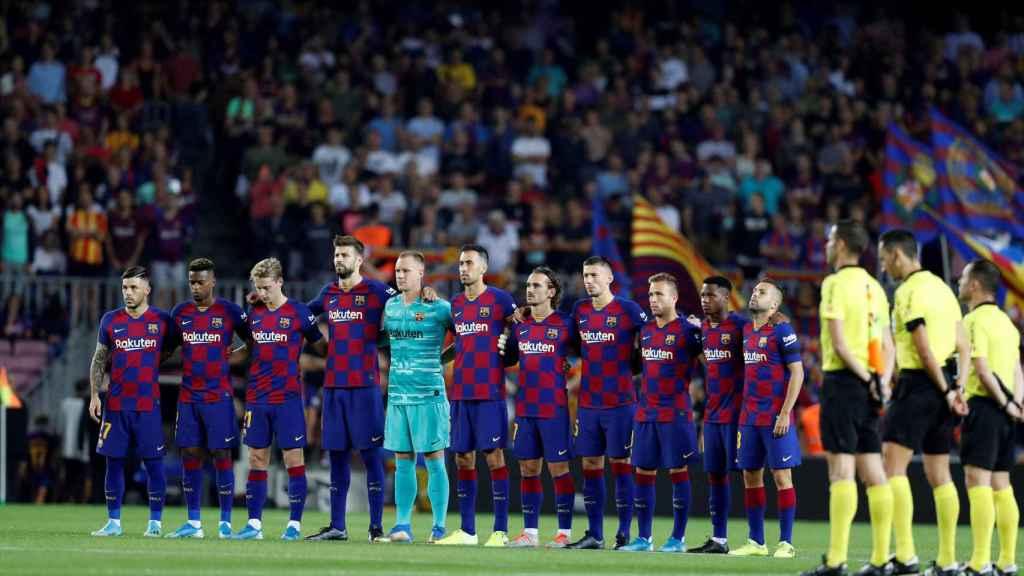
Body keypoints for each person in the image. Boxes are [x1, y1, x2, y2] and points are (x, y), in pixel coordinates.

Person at [802, 221, 896, 576]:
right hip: (872, 387)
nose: (826, 245)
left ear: (840, 245)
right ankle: (881, 559)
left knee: (841, 470)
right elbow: (888, 346)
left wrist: (865, 377)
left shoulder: (834, 283)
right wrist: (882, 382)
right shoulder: (875, 286)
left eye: (829, 240)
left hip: (845, 383)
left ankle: (836, 560)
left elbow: (839, 344)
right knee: (873, 469)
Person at [878, 230, 967, 576]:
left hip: (919, 384)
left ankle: (906, 556)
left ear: (898, 255)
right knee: (939, 473)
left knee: (893, 468)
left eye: (885, 259)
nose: (885, 267)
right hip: (946, 384)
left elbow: (923, 346)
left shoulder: (908, 291)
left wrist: (944, 389)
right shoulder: (945, 290)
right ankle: (947, 561)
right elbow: (963, 343)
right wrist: (955, 386)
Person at [304, 236, 396, 543]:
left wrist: (386, 338)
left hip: (365, 388)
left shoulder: (375, 290)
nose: (338, 259)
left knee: (372, 458)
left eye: (344, 254)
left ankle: (376, 528)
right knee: (338, 457)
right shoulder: (327, 293)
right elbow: (302, 316)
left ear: (359, 260)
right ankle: (337, 526)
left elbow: (403, 303)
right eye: (336, 254)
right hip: (333, 388)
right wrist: (315, 339)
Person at [232, 258, 325, 541]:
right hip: (257, 398)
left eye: (267, 287)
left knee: (293, 459)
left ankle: (294, 525)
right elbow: (248, 347)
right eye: (258, 288)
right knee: (257, 458)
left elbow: (320, 345)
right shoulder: (254, 312)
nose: (262, 293)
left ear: (280, 282)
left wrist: (313, 363)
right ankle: (254, 525)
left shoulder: (299, 312)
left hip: (287, 398)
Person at [164, 258, 254, 539]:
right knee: (189, 453)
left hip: (218, 396)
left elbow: (252, 341)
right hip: (189, 397)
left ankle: (225, 522)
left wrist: (233, 355)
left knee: (221, 454)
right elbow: (168, 348)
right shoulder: (179, 313)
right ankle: (194, 522)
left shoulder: (229, 311)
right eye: (192, 281)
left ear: (212, 282)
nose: (195, 287)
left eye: (201, 281)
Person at [436, 245, 517, 547]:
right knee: (462, 458)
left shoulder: (500, 300)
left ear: (483, 268)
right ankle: (468, 531)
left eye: (469, 263)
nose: (463, 268)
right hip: (460, 393)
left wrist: (510, 347)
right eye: (460, 263)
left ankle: (500, 530)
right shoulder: (456, 303)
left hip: (490, 393)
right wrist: (438, 360)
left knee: (494, 458)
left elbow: (518, 330)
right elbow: (462, 344)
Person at [88, 266, 178, 537]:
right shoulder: (110, 320)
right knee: (113, 462)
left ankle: (155, 523)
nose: (128, 293)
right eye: (125, 287)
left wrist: (155, 362)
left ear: (147, 290)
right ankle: (113, 522)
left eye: (134, 288)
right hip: (115, 405)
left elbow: (174, 346)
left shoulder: (162, 320)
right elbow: (99, 358)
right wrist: (95, 394)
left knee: (153, 464)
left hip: (147, 405)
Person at [568, 256, 647, 550]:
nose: (588, 280)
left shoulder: (629, 310)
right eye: (585, 275)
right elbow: (572, 350)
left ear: (609, 278)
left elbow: (651, 339)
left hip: (621, 403)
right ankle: (595, 534)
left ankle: (624, 532)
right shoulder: (580, 310)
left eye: (594, 275)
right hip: (588, 403)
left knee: (621, 464)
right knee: (590, 464)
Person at [620, 273, 702, 552]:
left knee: (677, 472)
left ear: (674, 298)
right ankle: (644, 538)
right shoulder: (645, 332)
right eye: (651, 294)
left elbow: (711, 363)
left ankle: (677, 538)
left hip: (675, 414)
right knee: (643, 472)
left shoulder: (689, 331)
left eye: (659, 295)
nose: (653, 300)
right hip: (645, 414)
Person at [379, 251, 455, 543]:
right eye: (398, 271)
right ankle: (402, 526)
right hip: (398, 396)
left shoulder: (439, 307)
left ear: (421, 274)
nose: (400, 275)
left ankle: (438, 528)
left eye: (406, 271)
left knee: (434, 459)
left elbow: (465, 337)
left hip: (429, 394)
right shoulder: (391, 306)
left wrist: (442, 359)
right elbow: (388, 342)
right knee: (402, 461)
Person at [501, 266, 577, 548]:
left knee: (559, 469)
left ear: (552, 291)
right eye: (529, 285)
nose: (530, 289)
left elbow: (587, 353)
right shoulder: (520, 326)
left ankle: (564, 533)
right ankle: (529, 533)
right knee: (528, 469)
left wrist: (570, 369)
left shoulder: (566, 324)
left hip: (554, 408)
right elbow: (506, 359)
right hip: (525, 408)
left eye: (537, 285)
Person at [730, 278, 803, 559]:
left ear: (774, 304)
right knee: (750, 476)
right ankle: (756, 541)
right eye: (755, 289)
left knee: (782, 476)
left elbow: (797, 372)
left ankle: (786, 543)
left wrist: (785, 412)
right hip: (749, 417)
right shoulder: (747, 329)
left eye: (762, 292)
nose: (754, 293)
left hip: (775, 416)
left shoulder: (782, 330)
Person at [957, 259, 1021, 576]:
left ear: (975, 285)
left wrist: (1002, 402)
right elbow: (1017, 370)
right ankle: (1007, 562)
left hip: (984, 407)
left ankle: (979, 563)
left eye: (964, 277)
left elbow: (981, 369)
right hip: (1006, 411)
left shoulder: (972, 321)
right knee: (1002, 484)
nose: (960, 281)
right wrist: (1015, 404)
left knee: (978, 482)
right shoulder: (1007, 324)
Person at [690, 275, 748, 554]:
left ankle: (757, 540)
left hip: (739, 416)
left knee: (752, 476)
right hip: (713, 416)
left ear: (726, 297)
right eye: (702, 295)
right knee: (715, 476)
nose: (705, 300)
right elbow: (708, 360)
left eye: (710, 295)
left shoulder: (740, 325)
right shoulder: (703, 329)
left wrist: (778, 318)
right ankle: (719, 539)